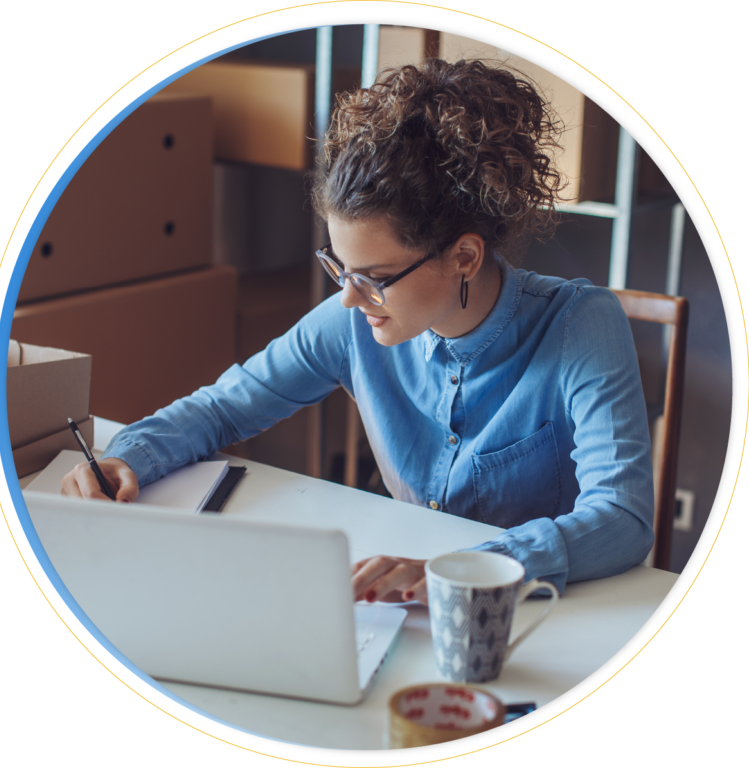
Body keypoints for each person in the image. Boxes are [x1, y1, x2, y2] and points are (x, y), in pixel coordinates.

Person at [61, 58, 654, 605]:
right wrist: (131, 456)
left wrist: (461, 570)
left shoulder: (582, 325)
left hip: (541, 616)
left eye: (374, 276)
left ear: (465, 257)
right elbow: (224, 409)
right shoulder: (354, 318)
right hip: (401, 603)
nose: (347, 295)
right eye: (339, 267)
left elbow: (623, 517)